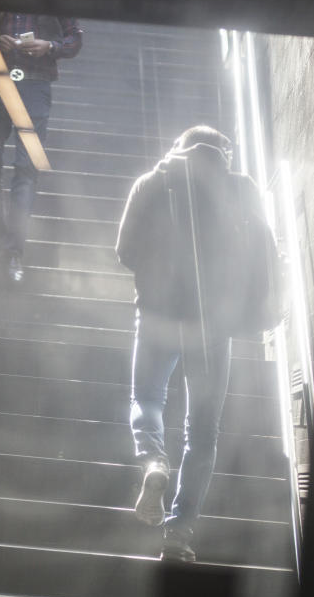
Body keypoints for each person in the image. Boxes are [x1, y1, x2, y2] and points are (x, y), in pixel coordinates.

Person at [115, 125, 281, 561]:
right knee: (202, 433)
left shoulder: (153, 180)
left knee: (147, 397)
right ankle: (180, 531)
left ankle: (153, 462)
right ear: (224, 152)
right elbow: (264, 247)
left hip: (156, 315)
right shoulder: (241, 186)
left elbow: (124, 250)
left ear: (180, 146)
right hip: (213, 324)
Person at [0, 12, 82, 283]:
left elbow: (75, 39)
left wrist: (49, 46)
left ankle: (12, 249)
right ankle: (0, 243)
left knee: (25, 169)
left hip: (35, 85)